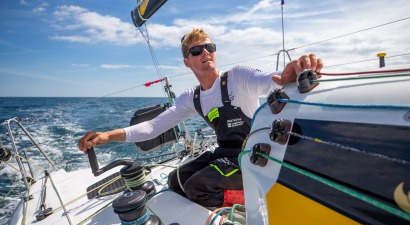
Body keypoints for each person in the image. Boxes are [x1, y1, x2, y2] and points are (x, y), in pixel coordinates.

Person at [78, 28, 323, 208]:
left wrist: (293, 72)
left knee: (197, 187)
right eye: (196, 50)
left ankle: (258, 201)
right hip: (227, 154)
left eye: (210, 47)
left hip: (254, 156)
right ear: (187, 62)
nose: (205, 52)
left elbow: (272, 80)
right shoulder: (191, 97)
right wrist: (108, 136)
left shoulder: (237, 78)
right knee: (177, 180)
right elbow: (153, 127)